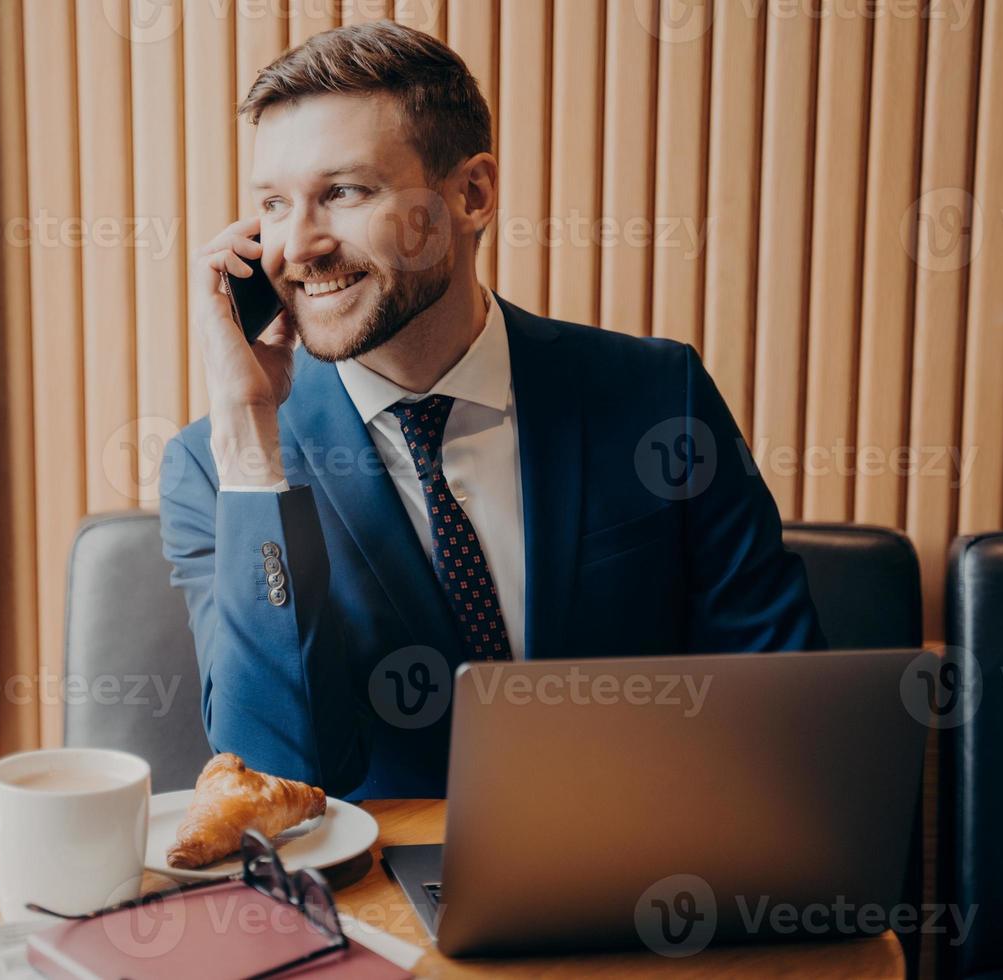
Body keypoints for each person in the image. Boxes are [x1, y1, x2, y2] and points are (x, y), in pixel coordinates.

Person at [160, 20, 823, 799]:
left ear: (470, 194)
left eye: (344, 192)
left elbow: (782, 705)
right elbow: (278, 778)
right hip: (380, 908)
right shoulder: (220, 471)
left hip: (641, 887)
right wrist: (248, 435)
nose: (299, 245)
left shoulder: (655, 396)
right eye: (274, 204)